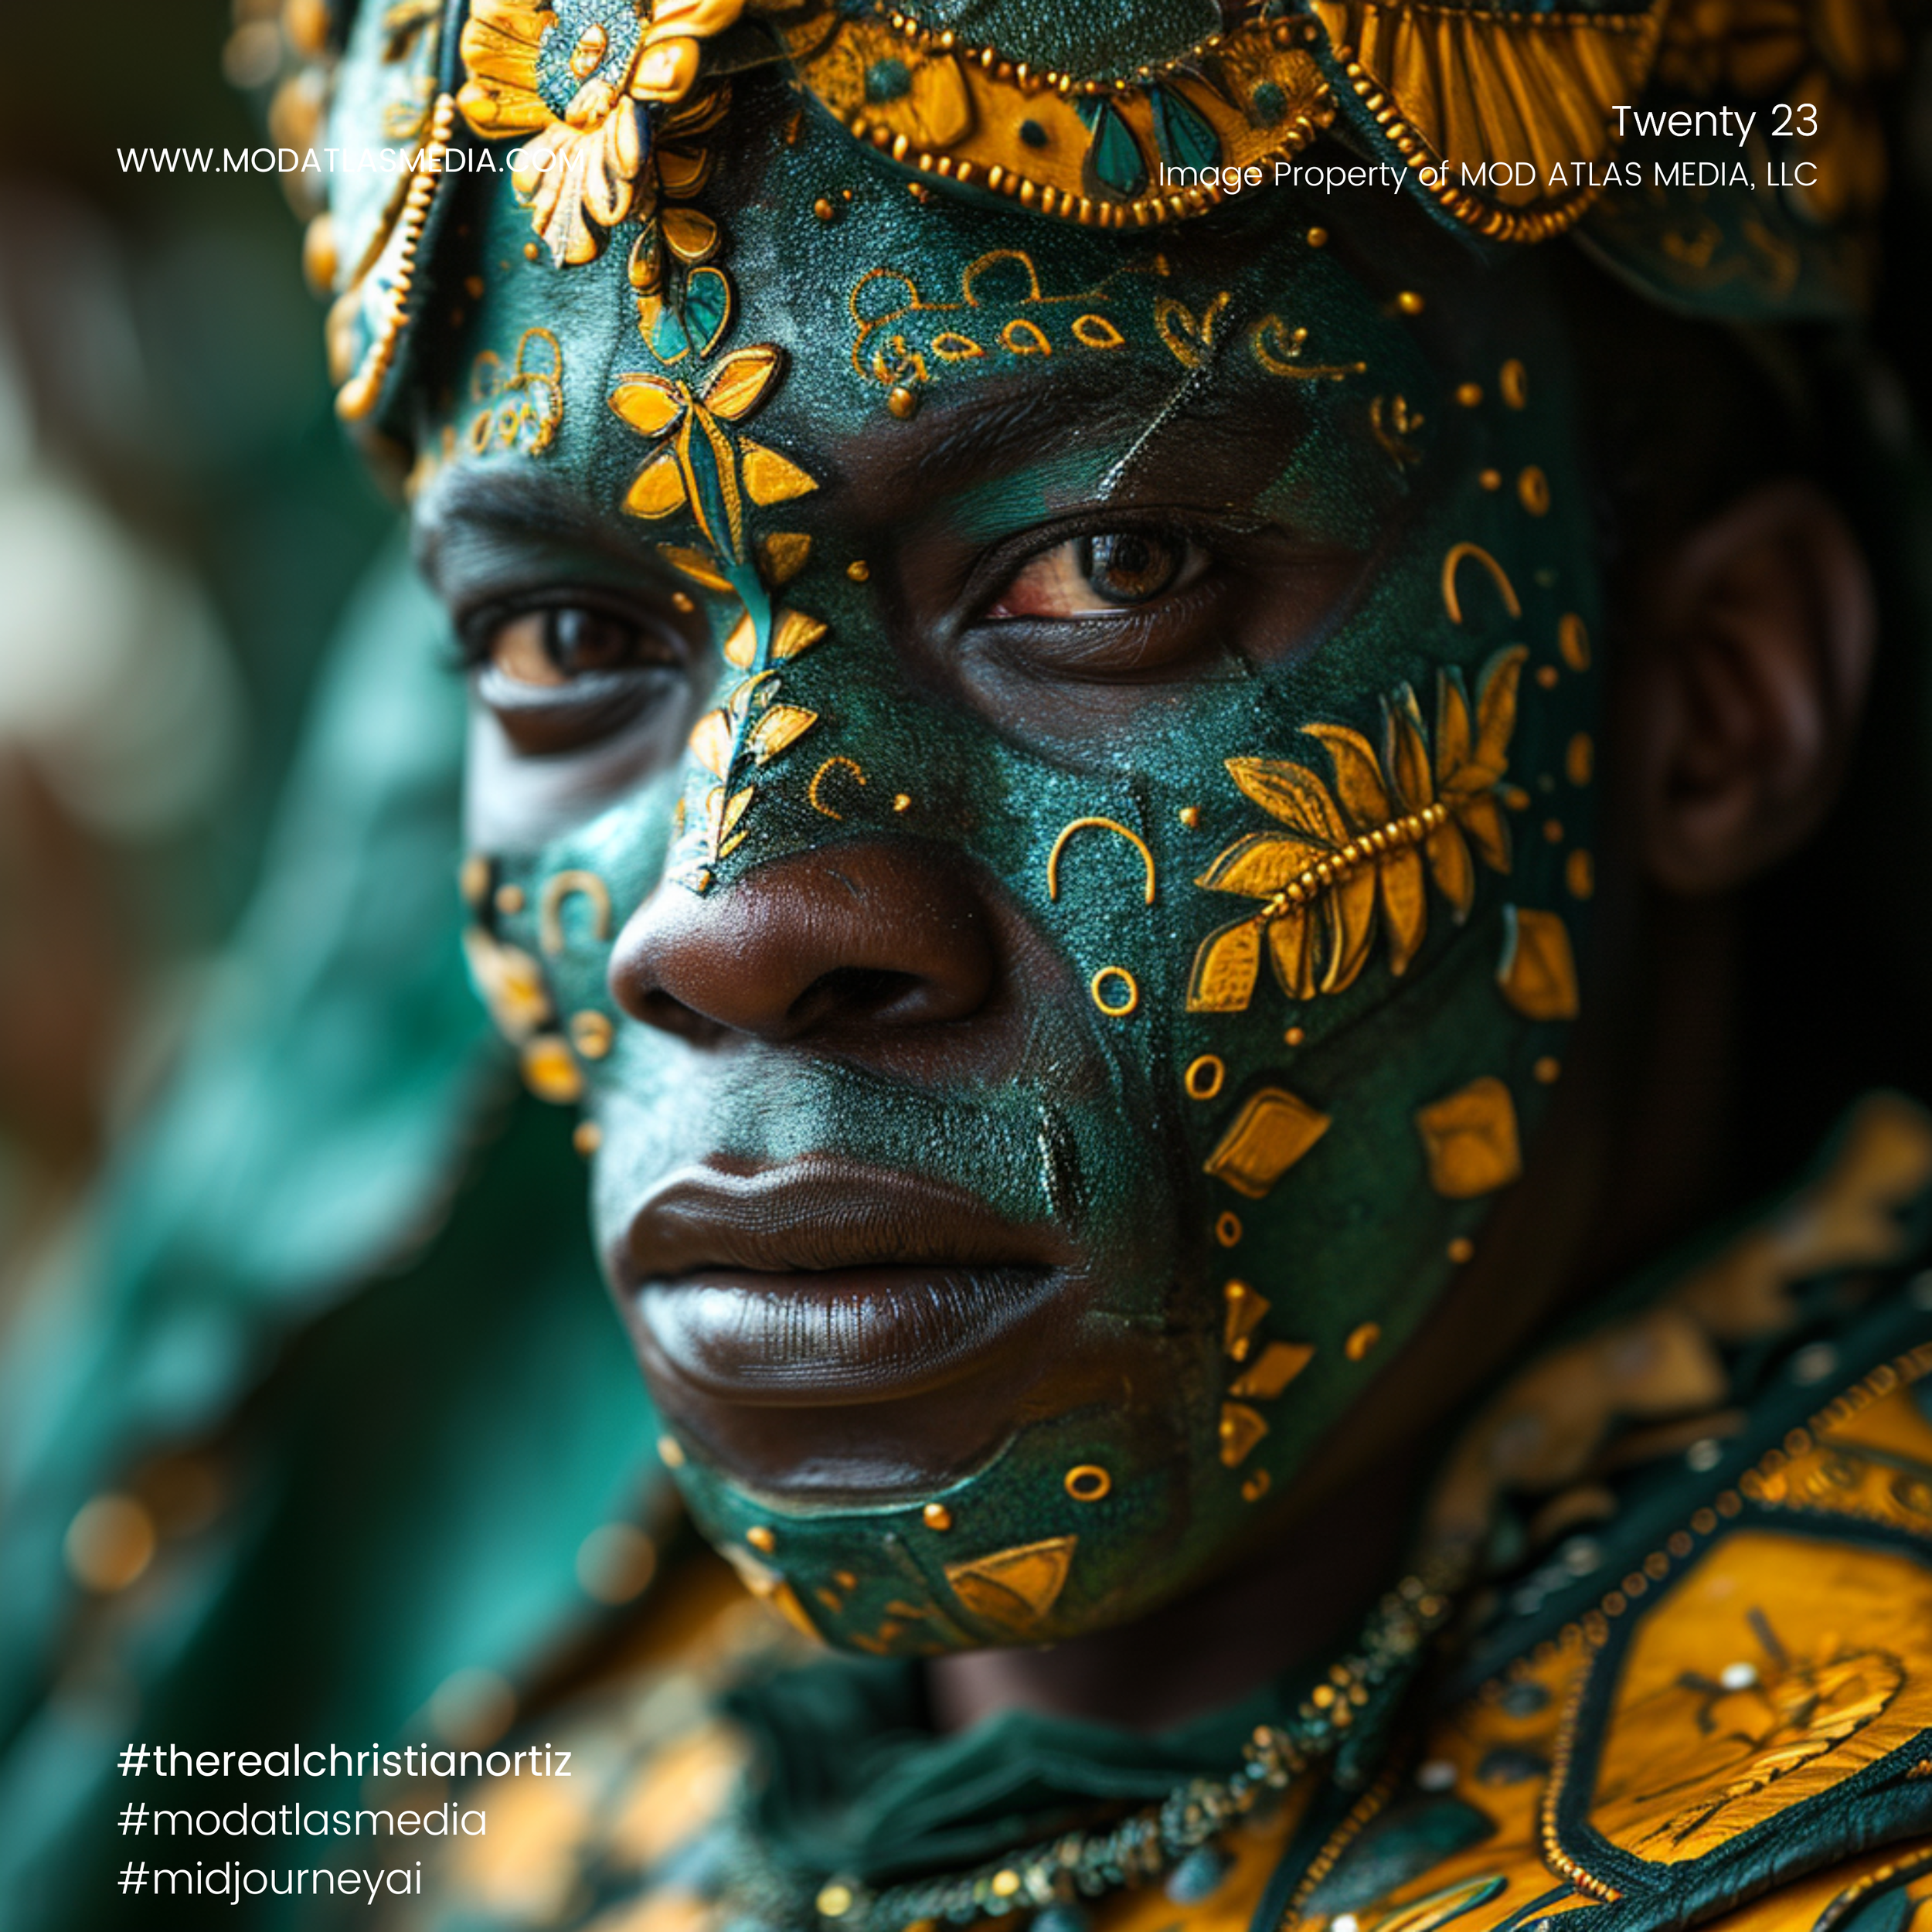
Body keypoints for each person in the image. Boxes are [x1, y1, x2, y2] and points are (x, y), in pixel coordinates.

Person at [274, 0, 1932, 1924]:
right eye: (563, 636)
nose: (726, 923)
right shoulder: (510, 1847)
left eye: (1106, 569)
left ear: (1713, 701)